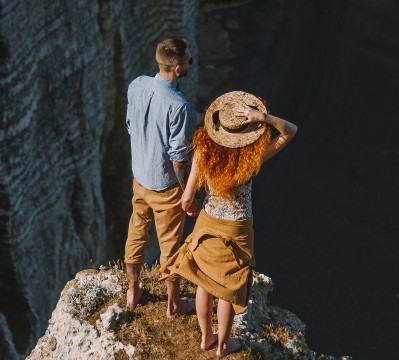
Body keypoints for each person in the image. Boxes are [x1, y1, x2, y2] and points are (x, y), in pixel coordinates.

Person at [161, 91, 298, 357]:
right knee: (227, 288)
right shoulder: (248, 162)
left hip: (207, 222)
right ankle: (222, 346)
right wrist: (264, 117)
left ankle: (206, 337)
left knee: (204, 281)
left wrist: (193, 208)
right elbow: (289, 131)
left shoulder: (202, 151)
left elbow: (187, 198)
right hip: (238, 229)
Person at [123, 38, 197, 318]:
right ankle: (173, 305)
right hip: (165, 187)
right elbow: (178, 156)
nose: (191, 62)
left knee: (136, 231)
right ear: (178, 68)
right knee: (170, 245)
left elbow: (131, 125)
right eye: (189, 60)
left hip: (139, 178)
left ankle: (133, 289)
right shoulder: (178, 104)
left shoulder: (136, 85)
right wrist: (189, 192)